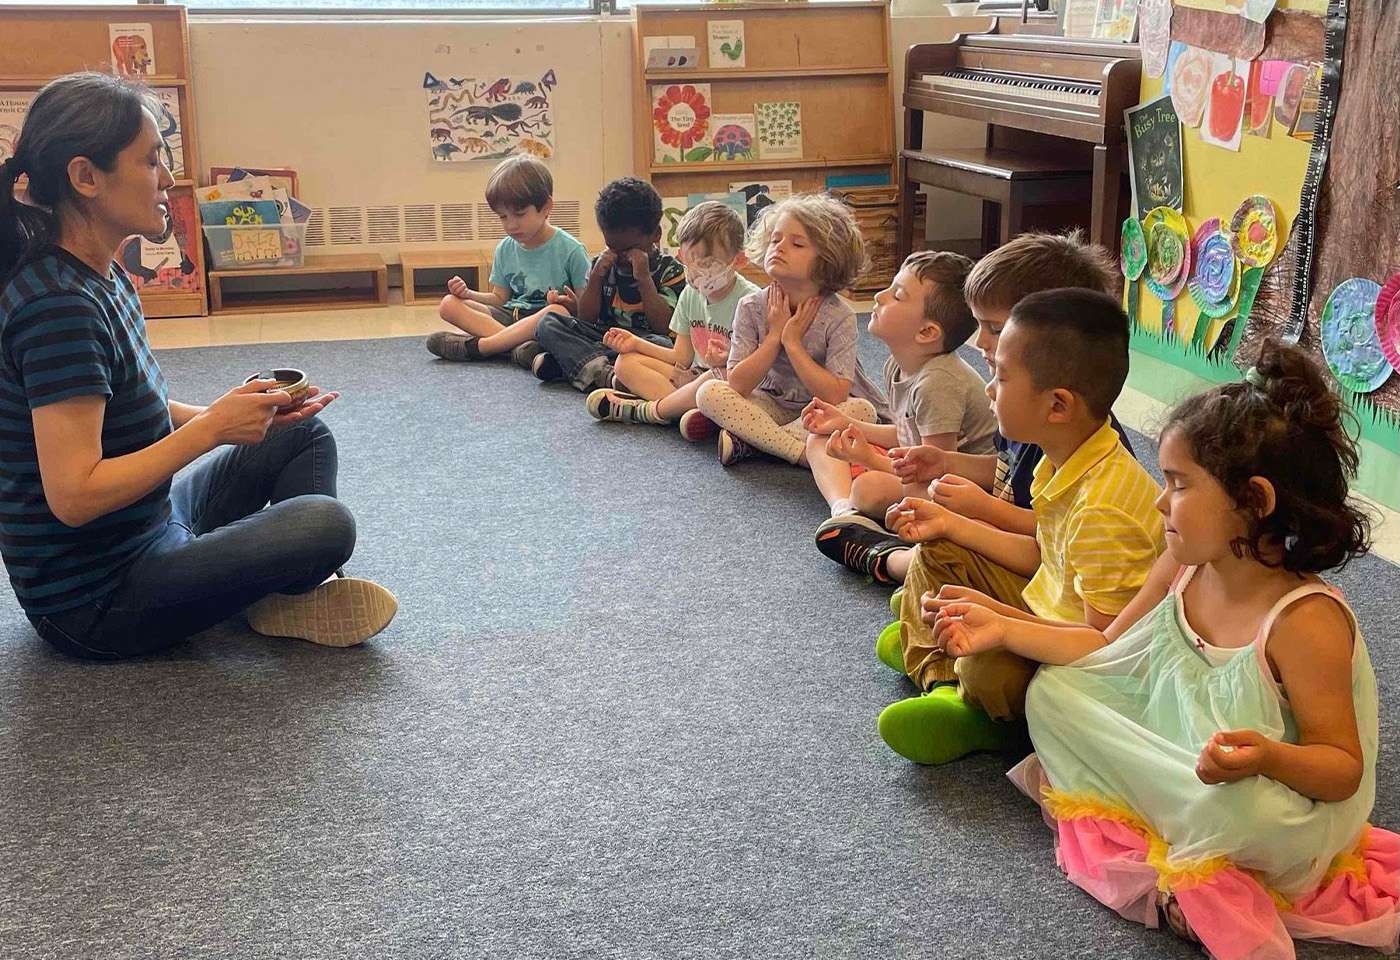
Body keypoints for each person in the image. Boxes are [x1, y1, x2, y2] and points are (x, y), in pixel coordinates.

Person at [930, 341, 1398, 960]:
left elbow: (1340, 770)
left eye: (1177, 485)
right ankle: (1177, 824)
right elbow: (1103, 645)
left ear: (1254, 502)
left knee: (1235, 810)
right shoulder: (1184, 563)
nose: (1158, 500)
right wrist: (1002, 625)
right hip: (1186, 754)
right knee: (1055, 694)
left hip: (1265, 794)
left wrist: (1267, 757)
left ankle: (1186, 841)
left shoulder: (1305, 620)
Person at [0, 73, 396, 659]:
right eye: (150, 160)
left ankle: (285, 594)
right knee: (325, 523)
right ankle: (276, 592)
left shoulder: (102, 275)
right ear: (86, 177)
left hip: (151, 527)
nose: (166, 178)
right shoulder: (58, 307)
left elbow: (130, 406)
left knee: (303, 434)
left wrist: (234, 414)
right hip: (95, 602)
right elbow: (74, 495)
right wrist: (213, 429)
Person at [877, 288, 1164, 764]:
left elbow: (1101, 652)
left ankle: (966, 700)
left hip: (1082, 655)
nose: (989, 389)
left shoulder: (1104, 509)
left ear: (1058, 406)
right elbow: (1046, 557)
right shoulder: (1064, 456)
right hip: (1048, 609)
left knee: (988, 670)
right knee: (939, 548)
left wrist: (1001, 623)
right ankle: (941, 668)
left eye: (1001, 376)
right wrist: (951, 524)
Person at [815, 231, 1134, 585]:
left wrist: (969, 516)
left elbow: (1049, 542)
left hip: (1049, 569)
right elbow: (1005, 468)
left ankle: (889, 560)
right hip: (1018, 531)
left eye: (995, 329)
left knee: (942, 547)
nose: (979, 342)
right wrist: (946, 462)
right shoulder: (1028, 409)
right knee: (920, 516)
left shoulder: (1065, 430)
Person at [804, 250, 995, 552]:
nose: (879, 296)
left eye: (897, 295)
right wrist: (846, 423)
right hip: (916, 466)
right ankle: (843, 510)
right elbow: (906, 435)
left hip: (961, 485)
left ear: (926, 332)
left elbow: (933, 469)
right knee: (820, 438)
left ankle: (858, 508)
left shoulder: (938, 383)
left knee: (869, 489)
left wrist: (869, 459)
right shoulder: (896, 364)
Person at [693, 193, 887, 467]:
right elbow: (738, 384)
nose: (780, 247)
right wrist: (774, 337)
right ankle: (799, 453)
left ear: (827, 259)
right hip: (768, 403)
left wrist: (793, 343)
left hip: (819, 410)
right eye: (775, 240)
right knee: (709, 392)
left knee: (862, 410)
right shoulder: (750, 306)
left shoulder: (839, 316)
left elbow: (835, 396)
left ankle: (755, 442)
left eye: (797, 243)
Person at [584, 200, 757, 441]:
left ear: (738, 261)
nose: (696, 274)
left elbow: (758, 373)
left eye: (707, 264)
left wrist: (726, 361)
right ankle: (691, 413)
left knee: (715, 380)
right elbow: (681, 357)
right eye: (689, 262)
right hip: (694, 378)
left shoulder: (750, 301)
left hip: (729, 384)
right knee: (625, 362)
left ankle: (654, 410)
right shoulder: (690, 293)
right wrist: (636, 343)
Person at [425, 155, 589, 366]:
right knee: (449, 304)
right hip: (511, 316)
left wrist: (570, 305)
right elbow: (499, 298)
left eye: (519, 214)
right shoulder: (505, 248)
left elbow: (587, 312)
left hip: (546, 323)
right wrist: (468, 294)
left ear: (546, 207)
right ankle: (520, 349)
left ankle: (482, 347)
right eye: (503, 217)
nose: (511, 225)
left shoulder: (572, 250)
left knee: (557, 311)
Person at [532, 177, 686, 393]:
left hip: (645, 342)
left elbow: (665, 327)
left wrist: (644, 279)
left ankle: (573, 364)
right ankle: (606, 374)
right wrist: (596, 278)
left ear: (656, 235)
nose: (620, 257)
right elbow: (586, 319)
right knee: (548, 322)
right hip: (606, 337)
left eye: (629, 249)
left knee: (666, 345)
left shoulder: (670, 270)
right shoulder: (601, 264)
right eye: (612, 247)